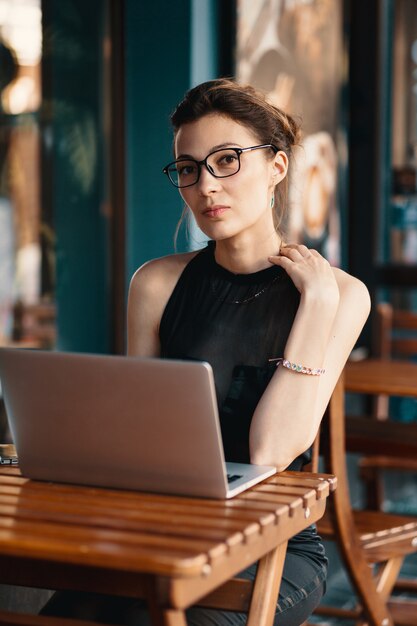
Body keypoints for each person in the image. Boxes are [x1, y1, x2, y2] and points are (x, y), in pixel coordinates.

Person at [41, 78, 370, 625]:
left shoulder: (341, 295)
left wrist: (314, 303)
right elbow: (136, 434)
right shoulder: (155, 284)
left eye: (227, 160)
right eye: (189, 169)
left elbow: (268, 451)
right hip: (165, 525)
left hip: (276, 545)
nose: (205, 186)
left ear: (277, 169)